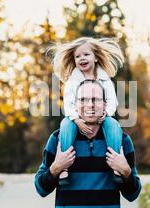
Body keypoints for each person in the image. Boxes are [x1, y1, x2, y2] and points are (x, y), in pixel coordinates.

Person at [34, 80, 142, 208]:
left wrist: (126, 171)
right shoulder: (58, 139)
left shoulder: (120, 141)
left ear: (105, 104)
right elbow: (41, 188)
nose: (89, 105)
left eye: (95, 99)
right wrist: (56, 167)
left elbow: (133, 194)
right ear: (75, 105)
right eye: (83, 100)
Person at [49, 36, 125, 185]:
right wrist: (76, 120)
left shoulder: (104, 79)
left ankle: (116, 165)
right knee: (65, 124)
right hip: (77, 118)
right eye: (77, 56)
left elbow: (112, 101)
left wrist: (106, 114)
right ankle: (64, 168)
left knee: (114, 125)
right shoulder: (73, 80)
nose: (81, 58)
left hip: (101, 117)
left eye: (86, 54)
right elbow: (68, 105)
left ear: (96, 57)